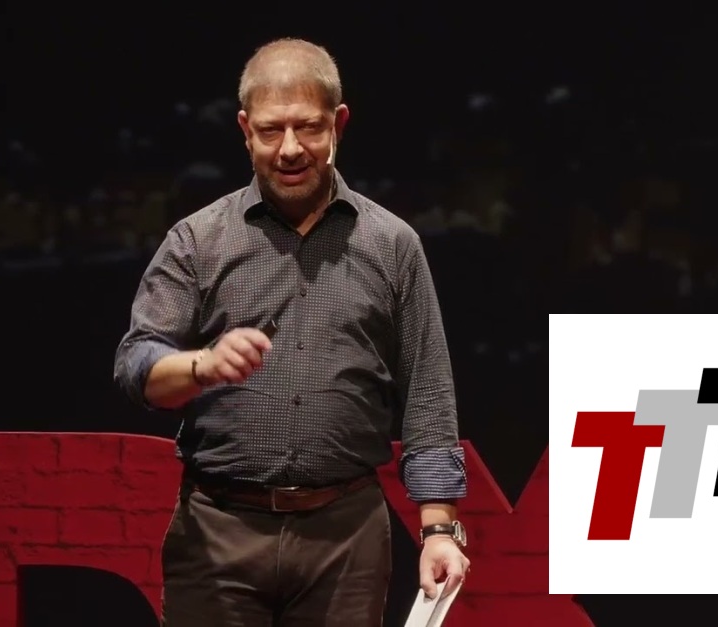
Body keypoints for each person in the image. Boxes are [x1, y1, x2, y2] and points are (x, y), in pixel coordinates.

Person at [114, 37, 470, 627]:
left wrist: (439, 529)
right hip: (217, 533)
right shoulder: (197, 241)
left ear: (338, 124)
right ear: (245, 130)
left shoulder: (393, 245)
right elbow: (137, 366)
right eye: (270, 131)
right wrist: (203, 365)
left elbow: (428, 393)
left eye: (307, 128)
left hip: (347, 538)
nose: (289, 149)